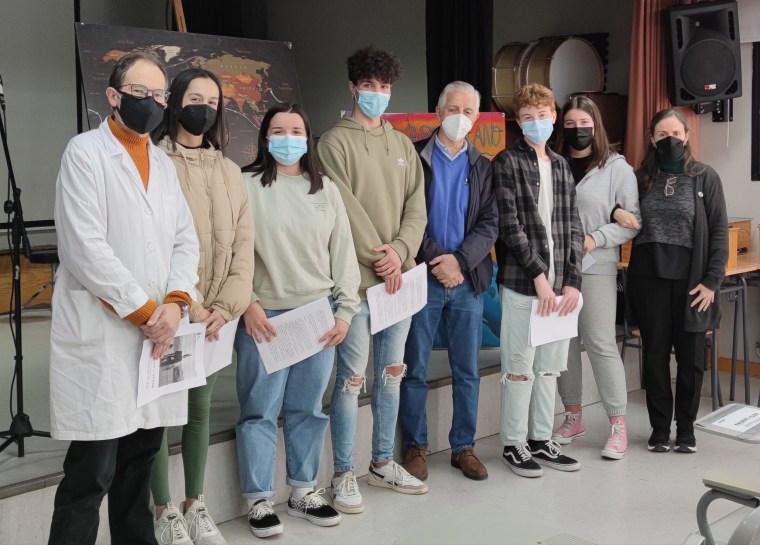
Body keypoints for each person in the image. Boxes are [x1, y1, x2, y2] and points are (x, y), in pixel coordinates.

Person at [48, 52, 199, 545]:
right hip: (105, 334)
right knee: (90, 473)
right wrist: (147, 312)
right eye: (140, 92)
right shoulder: (85, 153)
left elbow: (185, 241)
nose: (150, 102)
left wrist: (175, 303)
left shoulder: (163, 164)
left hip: (157, 336)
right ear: (113, 96)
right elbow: (84, 247)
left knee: (139, 465)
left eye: (159, 95)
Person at [235, 103, 361, 538]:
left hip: (316, 316)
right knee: (259, 409)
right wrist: (247, 303)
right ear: (265, 138)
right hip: (264, 316)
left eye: (296, 131)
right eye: (278, 130)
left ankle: (303, 490)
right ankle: (258, 499)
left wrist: (344, 311)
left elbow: (343, 253)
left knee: (307, 407)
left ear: (308, 138)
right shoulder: (246, 185)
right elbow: (232, 252)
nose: (287, 138)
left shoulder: (326, 189)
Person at [318, 45, 428, 514]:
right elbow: (342, 208)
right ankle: (344, 472)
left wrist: (400, 252)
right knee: (351, 379)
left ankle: (382, 461)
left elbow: (417, 207)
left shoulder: (402, 144)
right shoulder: (332, 143)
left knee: (391, 375)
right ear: (352, 87)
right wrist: (379, 257)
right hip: (355, 284)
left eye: (384, 87)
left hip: (398, 282)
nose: (377, 93)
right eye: (369, 85)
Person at [149, 68, 254, 545]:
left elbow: (245, 246)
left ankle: (195, 503)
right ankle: (163, 509)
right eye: (195, 99)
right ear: (174, 103)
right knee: (160, 408)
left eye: (212, 102)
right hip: (173, 313)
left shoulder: (230, 171)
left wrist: (226, 307)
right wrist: (185, 306)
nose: (204, 109)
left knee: (200, 407)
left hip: (216, 317)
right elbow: (154, 244)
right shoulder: (155, 162)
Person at [398, 81, 498, 481]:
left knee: (466, 370)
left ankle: (463, 447)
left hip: (466, 280)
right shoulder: (413, 157)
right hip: (422, 277)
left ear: (477, 118)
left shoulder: (483, 166)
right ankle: (415, 446)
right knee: (414, 367)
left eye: (468, 111)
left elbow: (490, 223)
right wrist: (436, 260)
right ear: (438, 113)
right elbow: (404, 215)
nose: (460, 117)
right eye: (453, 109)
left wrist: (459, 261)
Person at [492, 83, 584, 478]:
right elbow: (509, 226)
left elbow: (574, 225)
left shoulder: (561, 165)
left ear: (553, 116)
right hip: (523, 284)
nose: (536, 122)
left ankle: (541, 438)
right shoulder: (506, 162)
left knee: (549, 369)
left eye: (542, 115)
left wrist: (573, 280)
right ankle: (513, 443)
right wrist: (539, 277)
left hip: (561, 288)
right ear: (518, 120)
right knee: (519, 369)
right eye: (527, 117)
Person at [627, 108, 728, 454]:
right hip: (649, 279)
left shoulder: (705, 177)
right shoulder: (640, 178)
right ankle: (659, 430)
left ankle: (686, 430)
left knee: (692, 359)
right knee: (655, 358)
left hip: (693, 282)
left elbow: (719, 232)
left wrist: (712, 282)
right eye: (662, 134)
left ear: (686, 136)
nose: (669, 139)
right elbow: (621, 214)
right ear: (652, 138)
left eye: (675, 133)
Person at [551, 96, 640, 459]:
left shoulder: (617, 168)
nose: (578, 130)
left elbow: (633, 223)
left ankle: (617, 423)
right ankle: (573, 416)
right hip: (556, 269)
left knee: (601, 342)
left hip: (596, 267)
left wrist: (596, 237)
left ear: (596, 126)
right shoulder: (553, 162)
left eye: (584, 124)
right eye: (570, 124)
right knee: (564, 344)